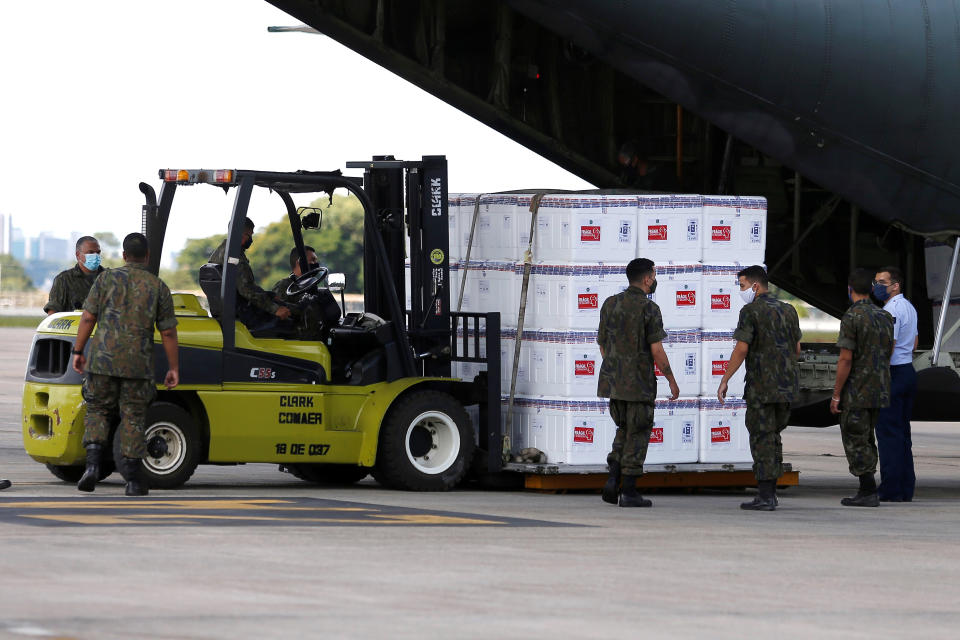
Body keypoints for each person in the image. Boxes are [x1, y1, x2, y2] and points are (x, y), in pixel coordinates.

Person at [71, 233, 180, 496]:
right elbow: (168, 332)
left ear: (123, 255)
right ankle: (132, 480)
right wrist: (174, 367)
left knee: (97, 409)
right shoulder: (157, 286)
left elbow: (88, 318)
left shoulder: (105, 279)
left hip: (102, 361)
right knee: (133, 416)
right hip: (137, 365)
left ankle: (93, 467)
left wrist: (78, 350)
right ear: (148, 256)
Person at [717, 265, 802, 511]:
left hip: (762, 387)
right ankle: (771, 490)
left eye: (742, 286)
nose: (741, 290)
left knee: (762, 438)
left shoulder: (750, 311)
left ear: (755, 286)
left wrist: (725, 379)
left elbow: (742, 349)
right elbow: (796, 350)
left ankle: (765, 495)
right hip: (786, 386)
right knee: (774, 437)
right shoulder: (789, 310)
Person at [597, 258, 680, 508]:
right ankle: (629, 491)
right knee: (638, 433)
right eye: (653, 275)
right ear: (646, 279)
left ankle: (613, 480)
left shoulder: (610, 304)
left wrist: (616, 370)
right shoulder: (649, 309)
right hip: (639, 385)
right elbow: (656, 350)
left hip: (614, 383)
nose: (654, 279)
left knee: (623, 429)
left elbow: (602, 344)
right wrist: (671, 380)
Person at [830, 268, 894, 507]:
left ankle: (867, 490)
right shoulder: (884, 316)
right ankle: (867, 488)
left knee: (855, 437)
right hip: (879, 386)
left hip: (857, 389)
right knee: (867, 437)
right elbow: (889, 351)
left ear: (850, 289)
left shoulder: (852, 317)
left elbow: (846, 358)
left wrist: (836, 393)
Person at [872, 266, 919, 501]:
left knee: (888, 434)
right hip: (907, 369)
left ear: (895, 285)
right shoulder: (908, 307)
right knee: (902, 435)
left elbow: (888, 344)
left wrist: (878, 371)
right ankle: (904, 488)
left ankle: (890, 489)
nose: (877, 286)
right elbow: (914, 341)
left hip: (893, 373)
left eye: (882, 282)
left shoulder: (891, 310)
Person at [207, 217, 291, 328]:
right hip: (244, 314)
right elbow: (246, 290)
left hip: (231, 309)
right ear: (239, 233)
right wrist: (275, 309)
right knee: (291, 321)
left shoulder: (219, 252)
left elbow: (241, 286)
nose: (250, 239)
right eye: (249, 235)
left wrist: (269, 295)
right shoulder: (235, 257)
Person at [271, 246, 341, 340]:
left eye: (316, 260)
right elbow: (280, 317)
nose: (316, 264)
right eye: (312, 260)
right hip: (299, 342)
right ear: (300, 262)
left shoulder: (312, 288)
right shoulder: (284, 286)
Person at [44, 236, 105, 314]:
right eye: (91, 252)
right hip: (75, 325)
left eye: (98, 252)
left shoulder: (110, 277)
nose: (96, 256)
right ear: (78, 255)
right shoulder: (64, 280)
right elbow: (53, 313)